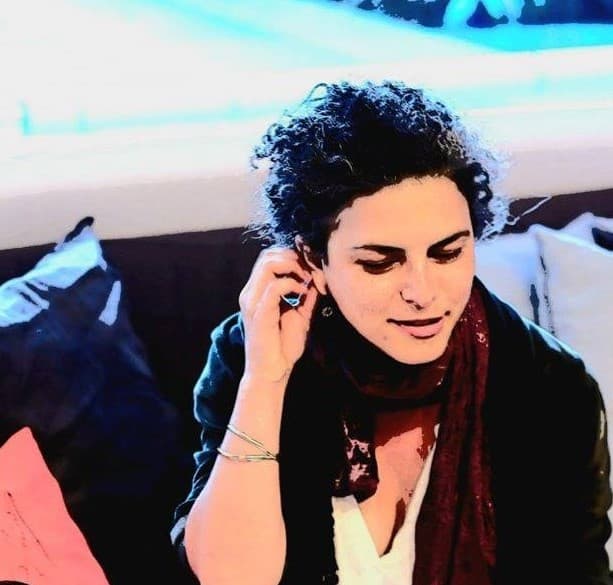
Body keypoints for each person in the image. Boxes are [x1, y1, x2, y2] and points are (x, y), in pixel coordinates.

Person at [171, 80, 613, 584]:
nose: (422, 292)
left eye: (448, 253)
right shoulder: (254, 352)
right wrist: (265, 383)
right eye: (380, 263)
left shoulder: (546, 383)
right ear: (313, 259)